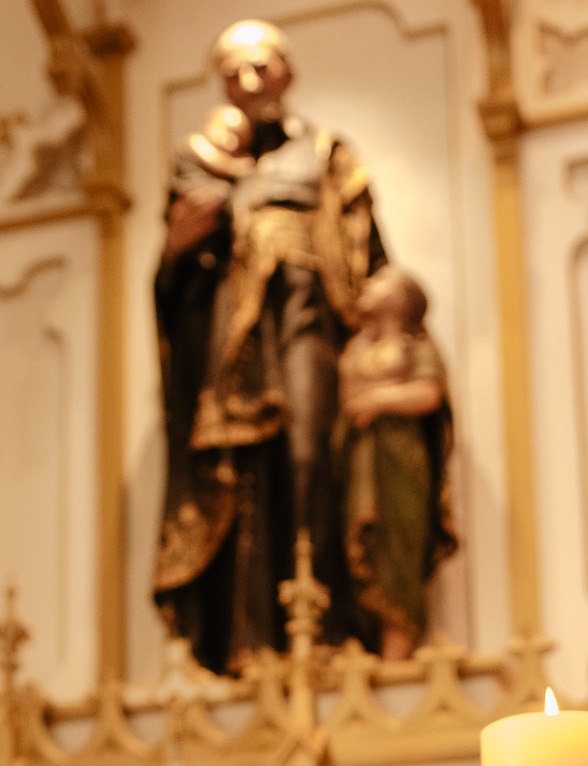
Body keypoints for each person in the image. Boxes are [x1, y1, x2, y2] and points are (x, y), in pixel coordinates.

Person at [153, 19, 387, 672]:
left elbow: (369, 260)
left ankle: (326, 626)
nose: (249, 82)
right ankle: (247, 640)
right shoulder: (201, 162)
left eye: (261, 67)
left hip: (306, 319)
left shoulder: (325, 155)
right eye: (234, 73)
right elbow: (175, 285)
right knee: (244, 468)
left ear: (287, 73)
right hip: (232, 336)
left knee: (311, 455)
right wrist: (175, 252)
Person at [338, 267, 457, 659]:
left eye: (381, 280)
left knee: (400, 550)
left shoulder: (416, 346)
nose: (369, 283)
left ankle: (397, 648)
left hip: (402, 462)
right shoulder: (357, 349)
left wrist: (379, 400)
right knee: (362, 545)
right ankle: (368, 647)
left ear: (403, 299)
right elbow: (348, 398)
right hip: (362, 462)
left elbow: (429, 394)